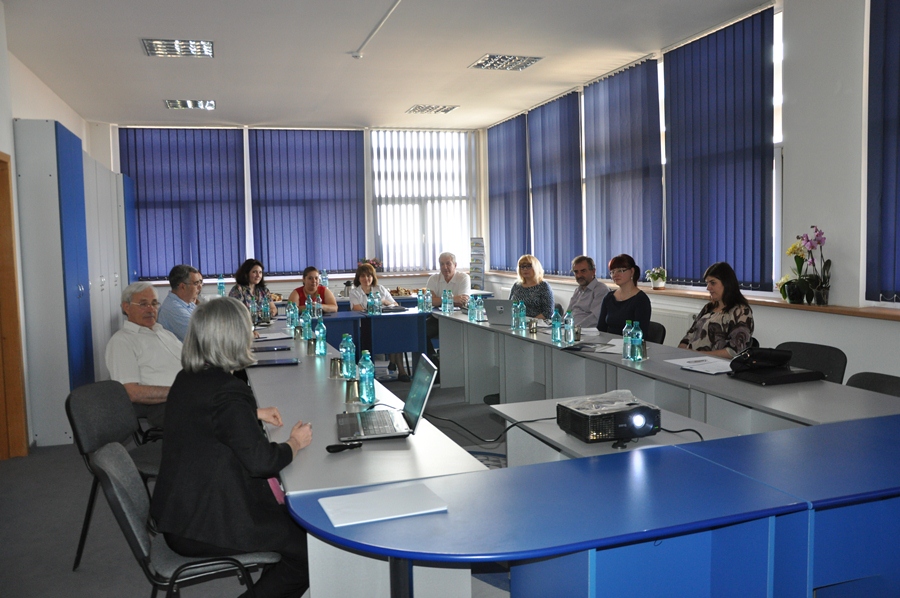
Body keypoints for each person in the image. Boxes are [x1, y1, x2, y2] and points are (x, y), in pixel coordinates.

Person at [150, 297, 312, 598]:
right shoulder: (229, 391)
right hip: (204, 524)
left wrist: (251, 413)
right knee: (309, 550)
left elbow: (204, 418)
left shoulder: (188, 377)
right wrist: (295, 443)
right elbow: (262, 462)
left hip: (178, 511)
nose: (251, 335)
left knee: (289, 530)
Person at [106, 282, 183, 428]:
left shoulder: (164, 333)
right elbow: (131, 392)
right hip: (165, 405)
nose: (151, 309)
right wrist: (180, 391)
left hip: (189, 392)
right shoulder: (122, 341)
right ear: (126, 307)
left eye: (154, 303)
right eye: (143, 304)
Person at [679, 262, 754, 358]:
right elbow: (688, 338)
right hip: (692, 359)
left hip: (714, 363)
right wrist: (680, 353)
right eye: (707, 283)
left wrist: (698, 356)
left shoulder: (741, 311)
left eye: (713, 283)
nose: (708, 288)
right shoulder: (708, 308)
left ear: (727, 283)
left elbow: (733, 351)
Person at [349, 263, 409, 380]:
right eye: (363, 276)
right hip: (365, 326)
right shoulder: (354, 292)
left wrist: (384, 301)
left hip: (384, 323)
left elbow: (395, 305)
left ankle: (401, 371)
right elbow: (358, 309)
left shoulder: (380, 289)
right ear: (358, 278)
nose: (366, 279)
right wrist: (376, 305)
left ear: (373, 277)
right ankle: (388, 364)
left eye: (369, 276)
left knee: (397, 334)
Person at [425, 252, 472, 357]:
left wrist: (439, 300)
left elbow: (462, 302)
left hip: (457, 320)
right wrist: (453, 298)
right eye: (442, 264)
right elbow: (429, 301)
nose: (445, 267)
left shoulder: (463, 278)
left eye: (448, 263)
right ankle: (433, 360)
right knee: (420, 333)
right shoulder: (433, 279)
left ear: (455, 265)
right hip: (437, 319)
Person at [597, 254, 652, 335]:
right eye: (612, 272)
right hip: (608, 341)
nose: (615, 275)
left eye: (620, 270)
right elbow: (601, 329)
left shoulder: (641, 300)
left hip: (628, 342)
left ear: (632, 271)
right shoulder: (609, 297)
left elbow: (640, 333)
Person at [157, 264, 203, 341]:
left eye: (200, 283)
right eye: (196, 283)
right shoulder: (173, 308)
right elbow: (202, 335)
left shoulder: (187, 303)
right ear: (182, 287)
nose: (200, 287)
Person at [566, 255, 610, 328]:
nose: (579, 275)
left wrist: (575, 328)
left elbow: (595, 318)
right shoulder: (578, 290)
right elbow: (568, 313)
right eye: (576, 272)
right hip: (569, 329)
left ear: (593, 271)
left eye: (583, 271)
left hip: (585, 331)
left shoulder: (601, 290)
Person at [509, 254, 554, 319]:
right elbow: (509, 305)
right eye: (522, 266)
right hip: (517, 321)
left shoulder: (543, 286)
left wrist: (530, 321)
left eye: (528, 266)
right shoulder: (517, 285)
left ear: (536, 268)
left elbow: (548, 312)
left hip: (537, 322)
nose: (525, 269)